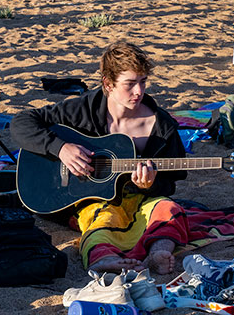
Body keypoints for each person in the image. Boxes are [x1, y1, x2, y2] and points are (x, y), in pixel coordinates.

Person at [10, 41, 187, 274]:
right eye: (130, 84)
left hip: (138, 199)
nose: (139, 92)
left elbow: (170, 183)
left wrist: (151, 185)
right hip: (86, 200)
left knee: (169, 209)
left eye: (143, 82)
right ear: (108, 83)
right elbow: (21, 123)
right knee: (103, 217)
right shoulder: (83, 109)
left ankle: (158, 253)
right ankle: (103, 259)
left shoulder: (162, 128)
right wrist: (60, 148)